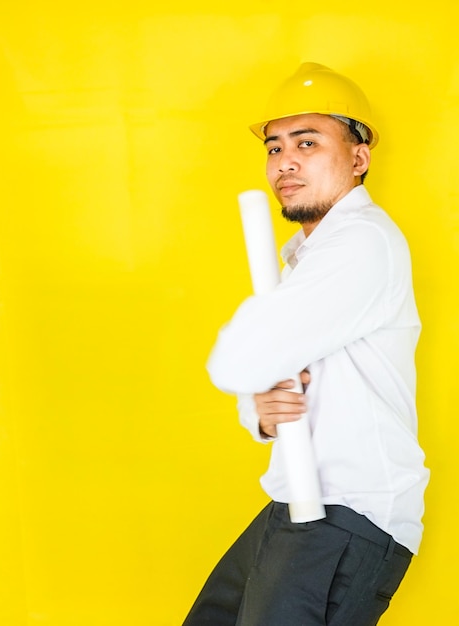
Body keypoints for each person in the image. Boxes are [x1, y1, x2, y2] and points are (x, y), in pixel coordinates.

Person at [182, 62, 430, 626]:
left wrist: (250, 370)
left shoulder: (361, 243)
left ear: (358, 158)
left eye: (308, 142)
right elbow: (273, 374)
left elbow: (241, 356)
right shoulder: (307, 257)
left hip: (348, 512)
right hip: (298, 499)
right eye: (274, 147)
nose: (285, 161)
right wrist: (260, 412)